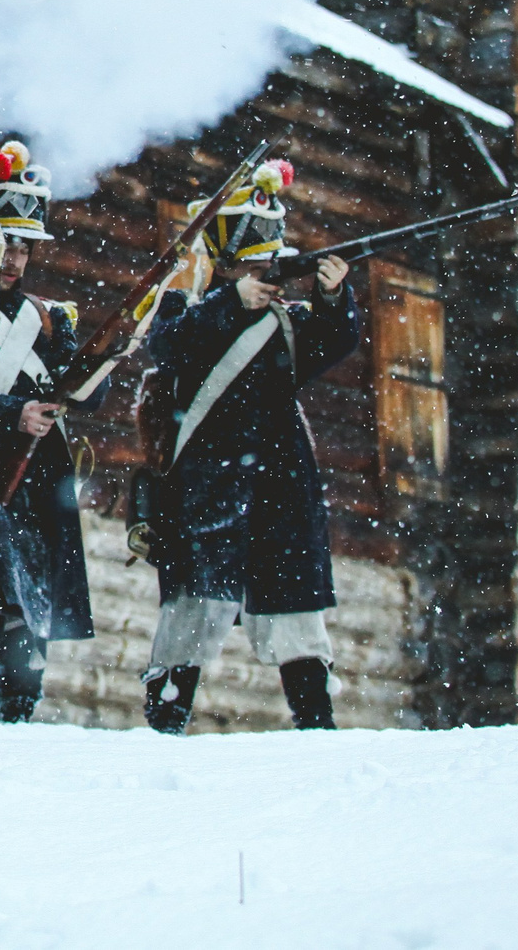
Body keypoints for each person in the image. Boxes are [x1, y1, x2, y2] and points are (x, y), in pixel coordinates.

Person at [135, 159, 356, 734]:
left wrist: (334, 296)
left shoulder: (287, 321)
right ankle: (164, 729)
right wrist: (234, 302)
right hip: (209, 486)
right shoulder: (191, 308)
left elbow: (333, 342)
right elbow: (171, 348)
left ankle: (317, 729)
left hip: (280, 485)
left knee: (296, 618)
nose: (265, 261)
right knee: (192, 612)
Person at [0, 142, 88, 723]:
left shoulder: (49, 318)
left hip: (33, 478)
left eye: (24, 249)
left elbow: (84, 391)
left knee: (27, 597)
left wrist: (101, 356)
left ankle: (19, 709)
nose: (14, 260)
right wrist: (13, 414)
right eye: (5, 246)